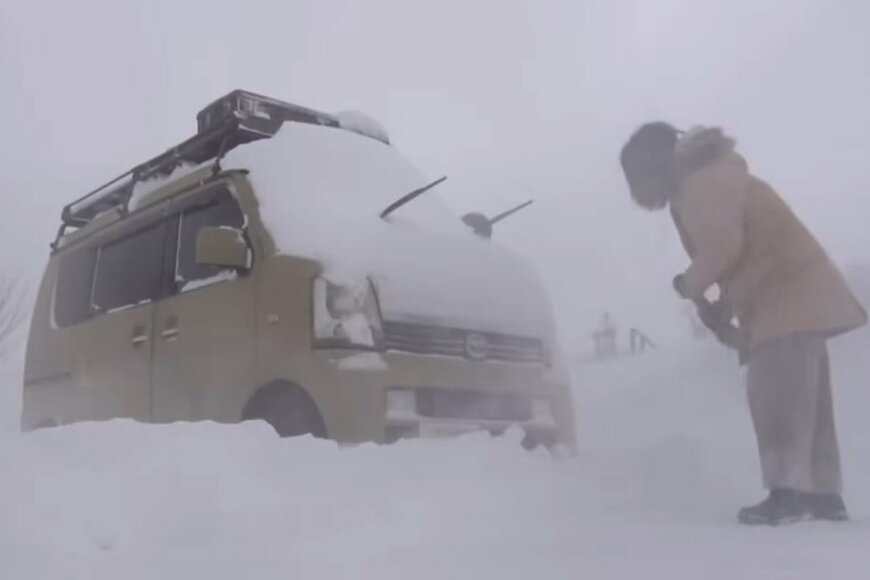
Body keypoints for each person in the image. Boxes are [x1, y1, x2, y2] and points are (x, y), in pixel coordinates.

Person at [620, 122, 867, 525]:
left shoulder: (700, 181)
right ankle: (824, 495)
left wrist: (690, 284)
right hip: (792, 292)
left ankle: (786, 495)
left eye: (636, 177)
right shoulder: (713, 175)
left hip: (785, 296)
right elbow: (748, 250)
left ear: (652, 165)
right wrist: (725, 306)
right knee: (808, 403)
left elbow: (724, 246)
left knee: (775, 399)